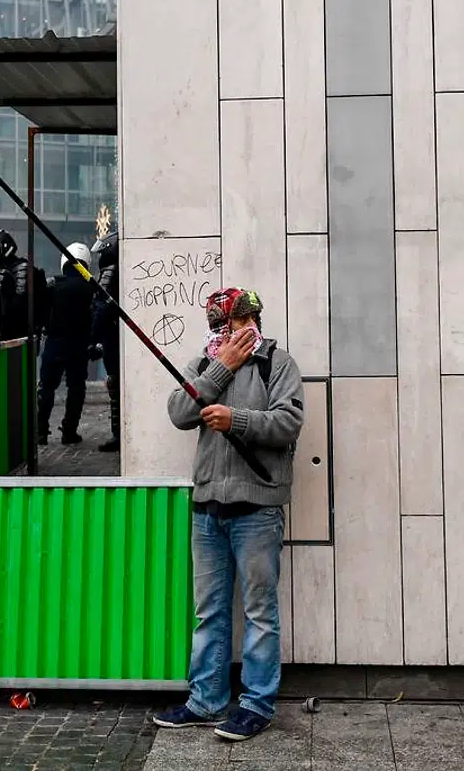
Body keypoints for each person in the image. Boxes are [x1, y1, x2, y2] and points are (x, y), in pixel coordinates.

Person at [154, 287, 304, 743]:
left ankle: (256, 704)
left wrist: (236, 420)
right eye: (229, 323)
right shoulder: (204, 363)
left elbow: (288, 423)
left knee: (260, 611)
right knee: (209, 611)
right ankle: (206, 700)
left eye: (245, 320)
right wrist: (223, 368)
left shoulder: (278, 363)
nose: (238, 331)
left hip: (257, 508)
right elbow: (180, 412)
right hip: (207, 508)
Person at [36, 242, 95, 445]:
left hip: (54, 343)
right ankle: (69, 431)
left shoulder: (53, 285)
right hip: (79, 345)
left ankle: (40, 431)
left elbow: (41, 311)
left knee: (46, 388)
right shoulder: (91, 287)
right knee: (76, 389)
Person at [88, 232, 119, 454]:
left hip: (113, 337)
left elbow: (101, 309)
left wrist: (93, 338)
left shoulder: (110, 272)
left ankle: (118, 435)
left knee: (115, 385)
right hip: (120, 336)